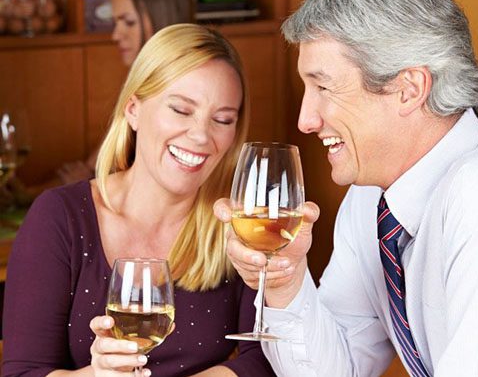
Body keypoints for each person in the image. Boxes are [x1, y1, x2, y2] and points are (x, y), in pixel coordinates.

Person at [214, 0, 478, 376]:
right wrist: (285, 283)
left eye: (323, 87)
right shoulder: (369, 199)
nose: (306, 120)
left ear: (409, 88)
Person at [2, 23, 275, 377]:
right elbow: (24, 372)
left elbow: (263, 359)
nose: (200, 135)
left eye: (222, 120)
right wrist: (96, 374)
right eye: (180, 109)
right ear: (133, 109)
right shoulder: (60, 217)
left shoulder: (237, 225)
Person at [56, 0, 195, 185]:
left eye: (129, 22)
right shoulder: (140, 85)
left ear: (162, 20)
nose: (115, 35)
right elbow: (94, 166)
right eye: (115, 23)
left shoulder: (183, 87)